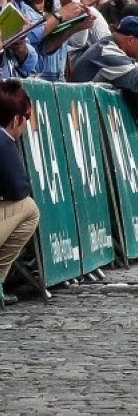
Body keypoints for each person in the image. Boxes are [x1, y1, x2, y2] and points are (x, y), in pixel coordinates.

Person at [0, 80, 40, 307]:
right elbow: (19, 190)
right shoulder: (4, 142)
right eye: (27, 117)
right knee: (29, 208)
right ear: (16, 119)